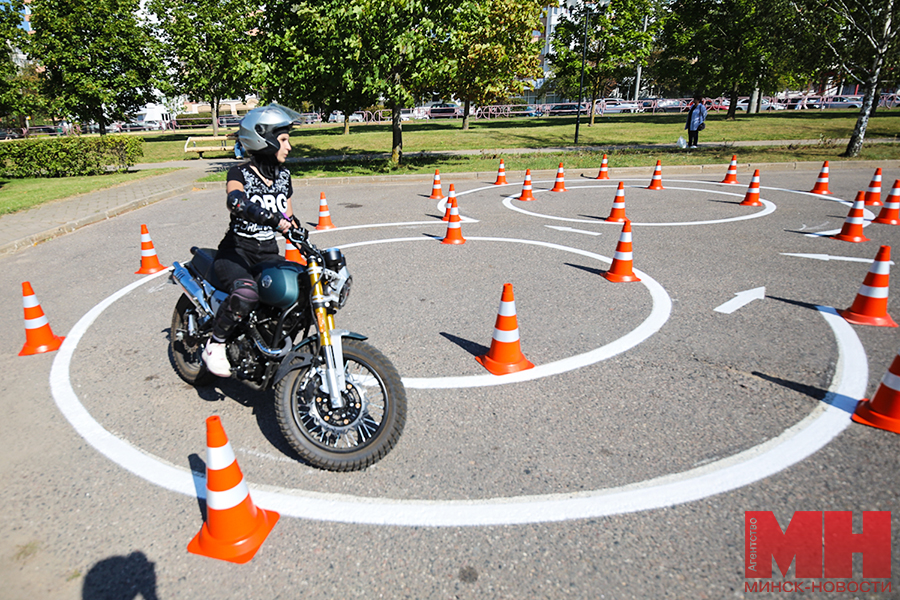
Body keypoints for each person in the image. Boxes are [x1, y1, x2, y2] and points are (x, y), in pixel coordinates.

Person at [202, 103, 306, 377]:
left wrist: (301, 235)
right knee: (247, 293)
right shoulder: (241, 173)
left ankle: (267, 346)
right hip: (236, 253)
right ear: (264, 141)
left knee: (295, 293)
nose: (289, 146)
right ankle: (216, 343)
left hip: (268, 254)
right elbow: (234, 200)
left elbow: (289, 217)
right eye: (283, 140)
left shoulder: (284, 177)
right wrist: (260, 214)